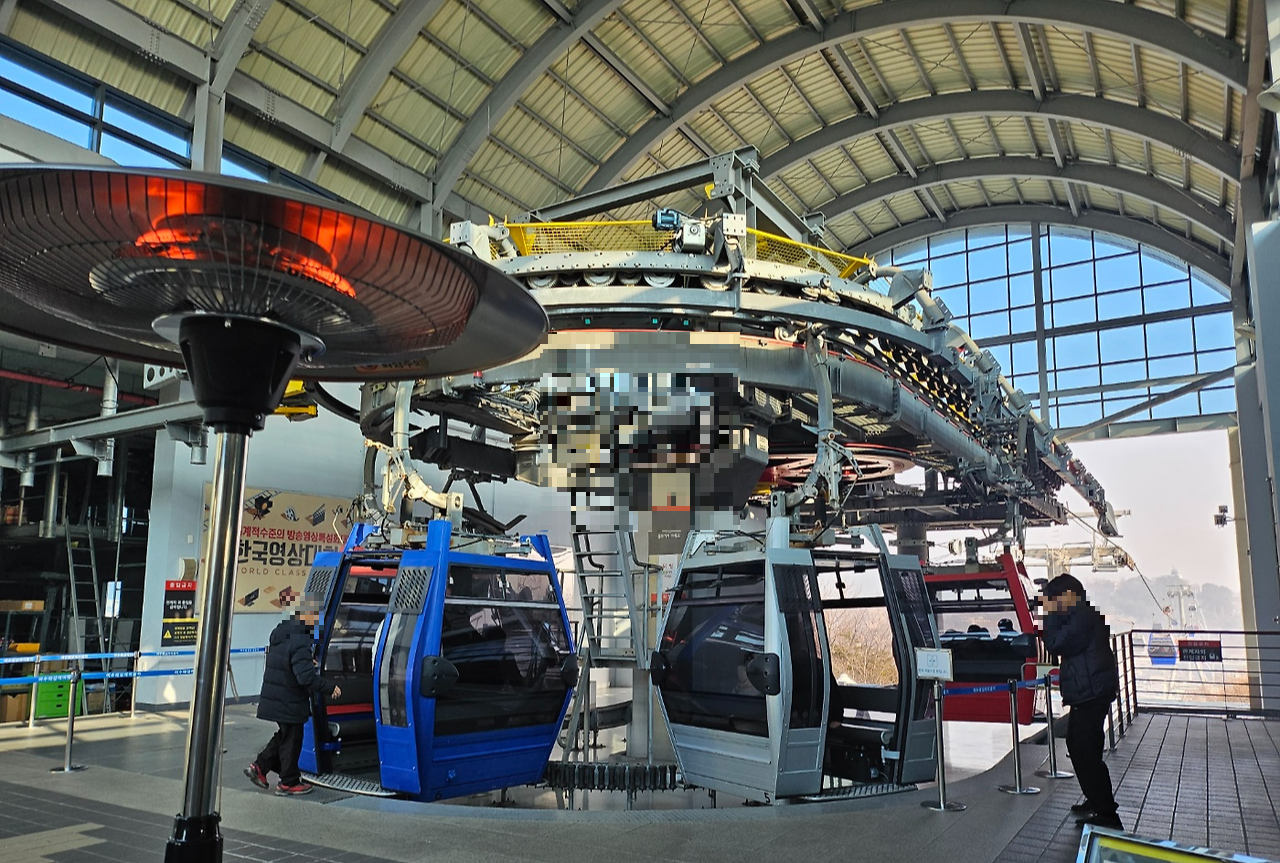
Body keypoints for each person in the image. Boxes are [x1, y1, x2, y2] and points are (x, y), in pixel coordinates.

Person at [1037, 574, 1123, 830]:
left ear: (1069, 596)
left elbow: (1055, 643)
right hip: (1091, 691)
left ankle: (1107, 812)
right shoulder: (1082, 614)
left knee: (1083, 749)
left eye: (1054, 599)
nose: (1051, 604)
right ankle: (1096, 800)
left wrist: (1048, 615)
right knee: (1085, 747)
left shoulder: (1080, 618)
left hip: (1091, 693)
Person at [244, 595, 340, 796]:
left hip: (276, 696)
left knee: (285, 736)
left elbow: (289, 660)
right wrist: (330, 688)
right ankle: (288, 782)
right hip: (288, 699)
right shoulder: (301, 638)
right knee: (292, 740)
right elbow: (305, 677)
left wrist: (306, 661)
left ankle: (259, 767)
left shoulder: (283, 631)